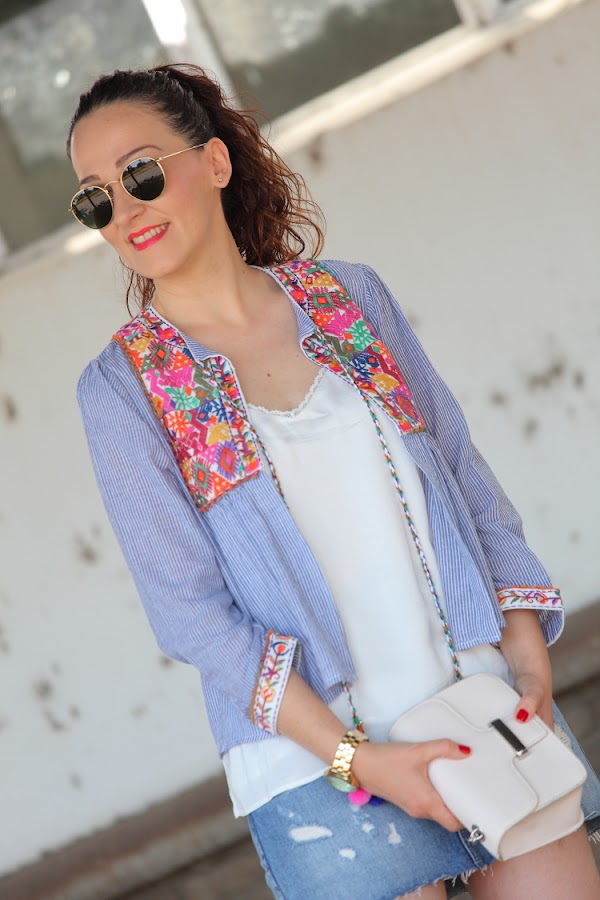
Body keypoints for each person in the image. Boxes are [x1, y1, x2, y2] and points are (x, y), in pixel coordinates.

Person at [67, 64, 600, 900]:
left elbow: (464, 473)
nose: (125, 210)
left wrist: (525, 655)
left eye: (140, 173)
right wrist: (361, 760)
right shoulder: (124, 390)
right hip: (321, 767)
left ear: (214, 161)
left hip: (483, 701)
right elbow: (193, 616)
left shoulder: (350, 296)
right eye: (95, 199)